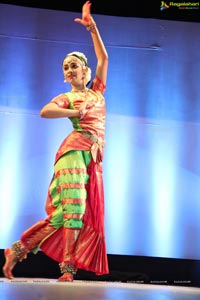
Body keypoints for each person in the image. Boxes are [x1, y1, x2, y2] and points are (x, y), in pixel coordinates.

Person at [2, 0, 109, 282]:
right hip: (74, 152)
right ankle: (67, 268)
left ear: (86, 71)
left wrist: (92, 28)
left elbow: (104, 59)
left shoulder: (97, 92)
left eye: (74, 66)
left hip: (91, 158)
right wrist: (74, 111)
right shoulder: (70, 98)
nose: (70, 70)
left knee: (70, 213)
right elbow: (45, 111)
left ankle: (17, 250)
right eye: (65, 68)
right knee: (75, 209)